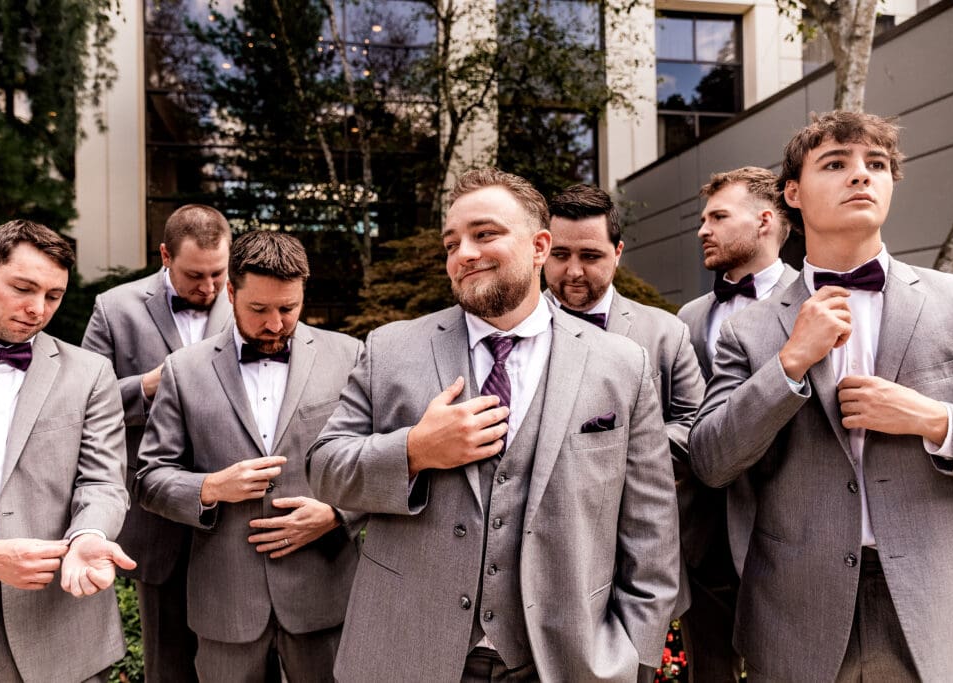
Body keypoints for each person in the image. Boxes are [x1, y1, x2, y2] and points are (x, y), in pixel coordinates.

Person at [308, 168, 680, 682]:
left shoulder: (621, 364)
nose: (463, 253)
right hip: (408, 653)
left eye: (484, 234)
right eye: (452, 242)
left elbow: (651, 529)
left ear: (539, 245)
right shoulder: (390, 349)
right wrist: (414, 450)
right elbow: (325, 468)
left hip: (564, 659)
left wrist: (634, 654)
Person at [690, 111, 953, 681]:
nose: (861, 176)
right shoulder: (749, 329)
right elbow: (712, 461)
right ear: (792, 193)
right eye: (836, 164)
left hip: (935, 608)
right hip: (796, 615)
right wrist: (789, 364)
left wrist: (934, 420)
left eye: (877, 165)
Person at [135, 230, 362, 682]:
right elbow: (149, 478)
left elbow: (375, 462)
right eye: (259, 310)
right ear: (231, 292)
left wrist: (338, 513)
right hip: (225, 605)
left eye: (288, 309)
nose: (275, 324)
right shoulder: (184, 369)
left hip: (324, 599)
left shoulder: (350, 355)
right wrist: (210, 487)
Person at [0, 219, 133, 682]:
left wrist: (90, 536)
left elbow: (103, 482)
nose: (37, 309)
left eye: (53, 296)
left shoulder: (91, 373)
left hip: (60, 623)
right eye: (23, 288)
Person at [543, 183, 703, 672]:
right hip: (545, 557)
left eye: (590, 255)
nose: (573, 271)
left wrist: (624, 446)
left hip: (635, 556)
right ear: (540, 250)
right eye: (561, 254)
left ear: (617, 252)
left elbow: (695, 423)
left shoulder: (666, 332)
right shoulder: (511, 337)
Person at [81, 203, 232, 682]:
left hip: (235, 514)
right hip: (155, 516)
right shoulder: (115, 307)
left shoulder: (249, 302)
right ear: (165, 255)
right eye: (194, 275)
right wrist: (145, 387)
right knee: (168, 664)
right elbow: (82, 404)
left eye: (218, 274)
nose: (208, 289)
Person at [674, 166, 796, 682]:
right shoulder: (689, 317)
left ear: (765, 220)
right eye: (703, 219)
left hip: (789, 527)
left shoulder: (818, 298)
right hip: (706, 533)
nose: (703, 229)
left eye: (718, 217)